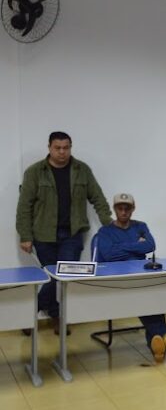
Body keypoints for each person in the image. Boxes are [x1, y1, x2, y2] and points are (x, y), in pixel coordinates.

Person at [16, 131, 112, 334]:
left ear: (71, 147)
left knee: (63, 276)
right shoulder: (35, 172)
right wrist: (25, 235)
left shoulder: (82, 170)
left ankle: (33, 311)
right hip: (43, 234)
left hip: (72, 234)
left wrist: (109, 225)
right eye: (57, 148)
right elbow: (24, 206)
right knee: (51, 277)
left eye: (66, 148)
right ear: (49, 147)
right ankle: (56, 314)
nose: (62, 152)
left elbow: (98, 198)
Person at [96, 193, 166, 363]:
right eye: (120, 208)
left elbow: (150, 245)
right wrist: (136, 247)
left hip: (141, 276)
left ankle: (157, 342)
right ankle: (163, 333)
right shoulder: (105, 231)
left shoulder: (140, 226)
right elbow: (108, 255)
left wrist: (122, 247)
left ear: (133, 209)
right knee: (144, 297)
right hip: (118, 281)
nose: (123, 211)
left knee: (153, 294)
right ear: (114, 209)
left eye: (127, 208)